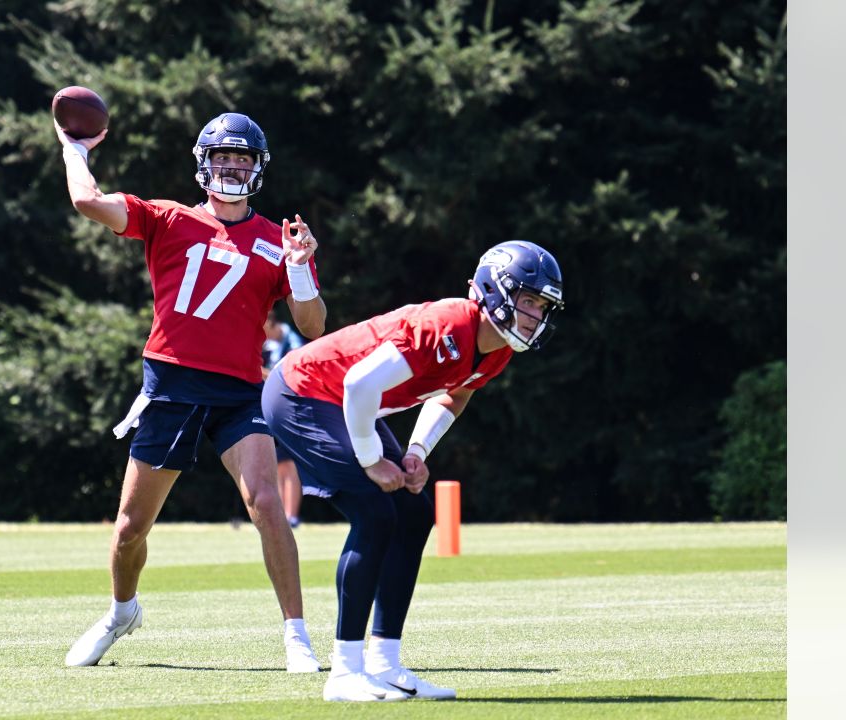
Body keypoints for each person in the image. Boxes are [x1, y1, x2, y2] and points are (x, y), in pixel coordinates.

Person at [55, 111, 328, 673]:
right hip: (173, 385)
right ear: (204, 164)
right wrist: (75, 149)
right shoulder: (167, 218)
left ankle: (296, 635)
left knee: (267, 504)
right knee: (130, 528)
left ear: (259, 167)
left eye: (243, 159)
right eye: (223, 157)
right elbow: (88, 202)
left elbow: (314, 325)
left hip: (240, 393)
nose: (232, 167)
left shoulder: (279, 242)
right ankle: (120, 612)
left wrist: (300, 270)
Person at [262, 241, 564, 701]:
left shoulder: (498, 347)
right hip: (302, 392)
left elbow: (456, 393)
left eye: (542, 306)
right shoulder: (444, 325)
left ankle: (384, 663)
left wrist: (417, 451)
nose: (534, 315)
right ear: (493, 291)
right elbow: (358, 385)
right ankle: (344, 672)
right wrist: (370, 460)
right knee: (375, 513)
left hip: (349, 402)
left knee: (414, 513)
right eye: (527, 301)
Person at [261, 310, 307, 528]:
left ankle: (292, 516)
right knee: (279, 465)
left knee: (290, 465)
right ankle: (283, 515)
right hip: (274, 409)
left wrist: (260, 372)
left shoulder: (293, 341)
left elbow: (291, 377)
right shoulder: (269, 345)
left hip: (292, 409)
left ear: (270, 322)